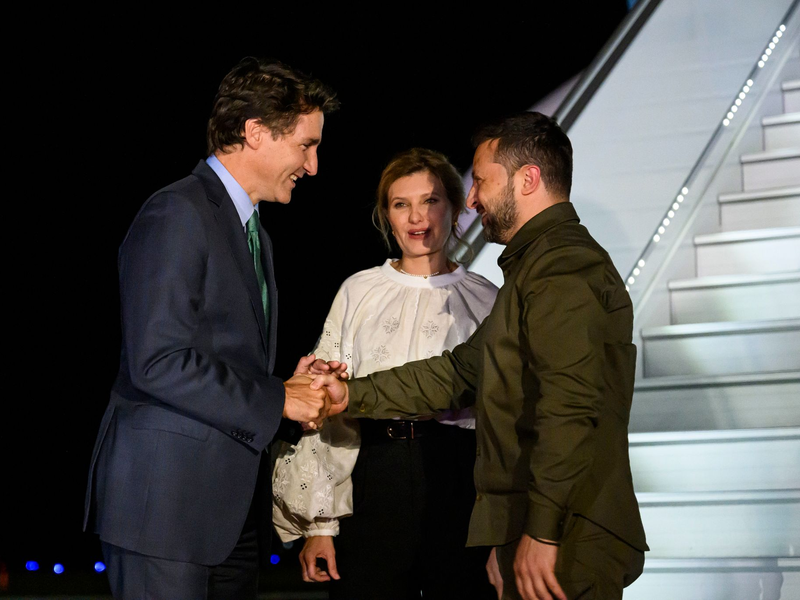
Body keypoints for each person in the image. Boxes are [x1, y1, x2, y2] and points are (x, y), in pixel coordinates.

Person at [314, 112, 648, 600]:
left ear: (528, 179)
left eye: (482, 183)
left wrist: (543, 530)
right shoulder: (534, 270)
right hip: (548, 525)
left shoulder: (562, 269)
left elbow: (570, 409)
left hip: (569, 532)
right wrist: (348, 392)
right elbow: (460, 372)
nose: (473, 199)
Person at [83, 57, 344, 600]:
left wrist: (287, 382)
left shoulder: (254, 234)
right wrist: (277, 399)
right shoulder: (176, 212)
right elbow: (157, 361)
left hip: (223, 515)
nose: (313, 165)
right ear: (254, 133)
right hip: (165, 512)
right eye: (305, 144)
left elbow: (222, 358)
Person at [273, 148, 499, 599]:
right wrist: (321, 525)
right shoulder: (359, 291)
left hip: (458, 480)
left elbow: (504, 421)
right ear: (386, 216)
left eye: (431, 200)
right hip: (374, 474)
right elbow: (327, 406)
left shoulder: (486, 299)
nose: (417, 217)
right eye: (401, 204)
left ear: (454, 209)